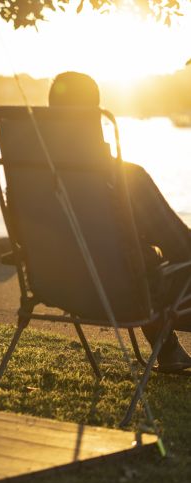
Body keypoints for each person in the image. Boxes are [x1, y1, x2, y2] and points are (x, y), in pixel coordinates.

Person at [49, 71, 191, 372]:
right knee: (151, 268)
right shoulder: (124, 177)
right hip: (126, 292)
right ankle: (167, 350)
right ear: (95, 115)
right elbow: (179, 245)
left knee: (135, 258)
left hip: (58, 284)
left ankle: (167, 351)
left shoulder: (35, 176)